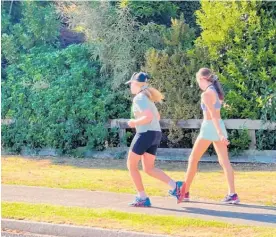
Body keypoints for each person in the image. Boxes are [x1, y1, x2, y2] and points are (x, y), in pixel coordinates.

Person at [178, 68, 240, 204]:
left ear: (202, 79)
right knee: (224, 162)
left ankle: (185, 192)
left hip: (210, 127)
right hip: (218, 126)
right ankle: (232, 194)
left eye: (197, 80)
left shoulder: (206, 94)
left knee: (193, 159)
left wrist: (219, 133)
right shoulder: (216, 92)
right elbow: (217, 114)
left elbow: (213, 115)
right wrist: (221, 133)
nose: (198, 83)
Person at [125, 72, 182, 207]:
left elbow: (149, 116)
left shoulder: (139, 98)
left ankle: (142, 197)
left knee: (131, 165)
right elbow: (157, 116)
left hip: (145, 133)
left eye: (131, 84)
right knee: (149, 168)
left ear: (137, 84)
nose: (130, 87)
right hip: (155, 134)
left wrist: (134, 122)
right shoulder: (147, 98)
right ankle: (175, 186)